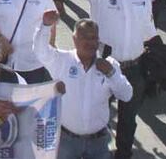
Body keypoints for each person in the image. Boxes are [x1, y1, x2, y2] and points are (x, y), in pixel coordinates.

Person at [77, 0, 156, 159]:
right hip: (105, 67)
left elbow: (148, 28)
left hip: (134, 67)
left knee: (128, 117)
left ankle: (123, 153)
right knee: (97, 113)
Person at [35, 13, 133, 159]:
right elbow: (40, 51)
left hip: (98, 142)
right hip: (67, 141)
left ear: (98, 40)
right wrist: (45, 26)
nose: (89, 42)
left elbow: (126, 95)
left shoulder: (110, 65)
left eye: (93, 37)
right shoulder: (62, 60)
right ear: (74, 39)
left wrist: (112, 74)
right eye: (84, 38)